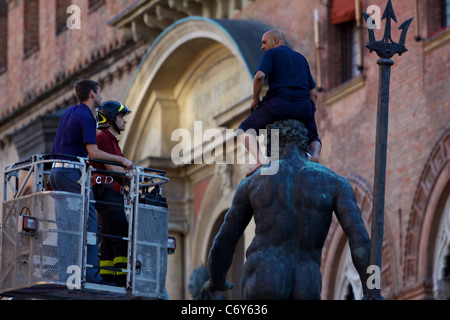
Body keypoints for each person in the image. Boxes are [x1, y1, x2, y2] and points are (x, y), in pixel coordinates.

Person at [201, 119, 371, 300]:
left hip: (264, 276)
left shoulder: (253, 182)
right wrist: (371, 289)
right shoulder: (335, 183)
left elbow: (224, 241)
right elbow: (360, 240)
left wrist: (216, 279)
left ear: (272, 146)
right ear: (304, 146)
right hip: (307, 283)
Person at [50, 80, 134, 284]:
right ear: (92, 94)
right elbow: (93, 152)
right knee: (89, 224)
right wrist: (122, 160)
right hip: (71, 174)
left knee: (67, 226)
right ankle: (91, 275)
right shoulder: (87, 117)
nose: (102, 96)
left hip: (56, 172)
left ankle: (65, 273)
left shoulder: (70, 111)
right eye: (100, 92)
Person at [238, 29, 322, 177]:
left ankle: (260, 159)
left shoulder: (271, 54)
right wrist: (309, 111)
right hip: (302, 105)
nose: (262, 47)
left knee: (244, 130)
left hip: (278, 103)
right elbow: (313, 93)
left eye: (264, 42)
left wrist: (255, 99)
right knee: (314, 137)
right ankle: (315, 155)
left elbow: (259, 76)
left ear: (275, 41)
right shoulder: (301, 58)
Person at [91, 100, 132, 287]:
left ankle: (107, 276)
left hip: (113, 195)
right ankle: (122, 277)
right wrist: (129, 174)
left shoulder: (112, 141)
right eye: (121, 116)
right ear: (111, 118)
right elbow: (116, 171)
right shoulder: (103, 139)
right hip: (106, 193)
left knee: (109, 237)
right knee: (123, 232)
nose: (124, 120)